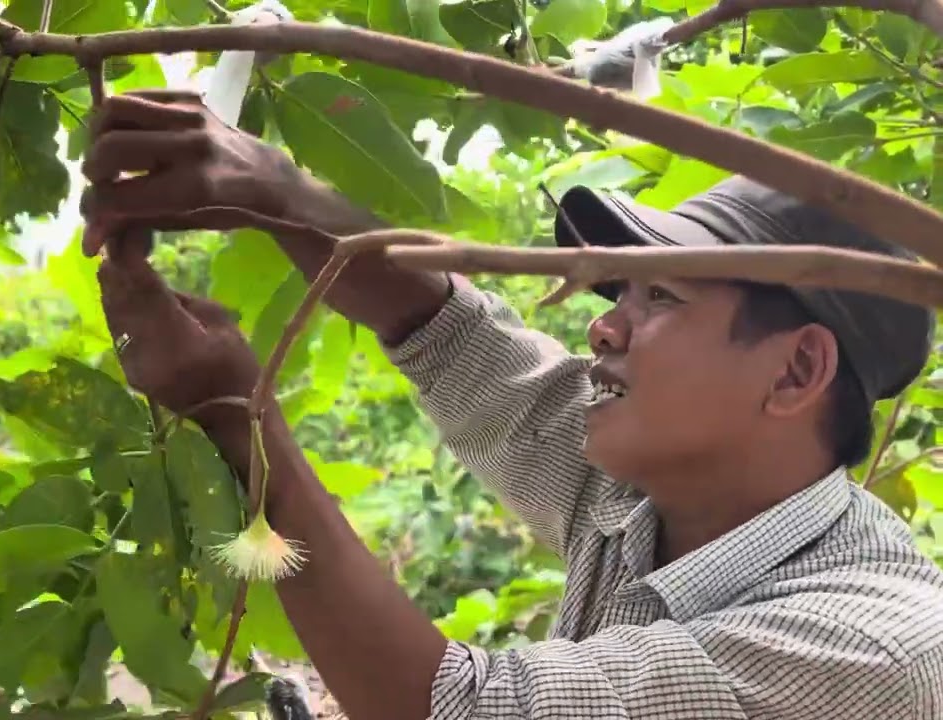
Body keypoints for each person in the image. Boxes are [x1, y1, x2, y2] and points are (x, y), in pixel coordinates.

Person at [80, 89, 943, 720]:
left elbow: (452, 710)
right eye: (619, 295)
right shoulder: (653, 497)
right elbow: (445, 332)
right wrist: (270, 189)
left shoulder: (869, 649)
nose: (605, 329)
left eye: (661, 300)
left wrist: (236, 411)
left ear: (795, 374)